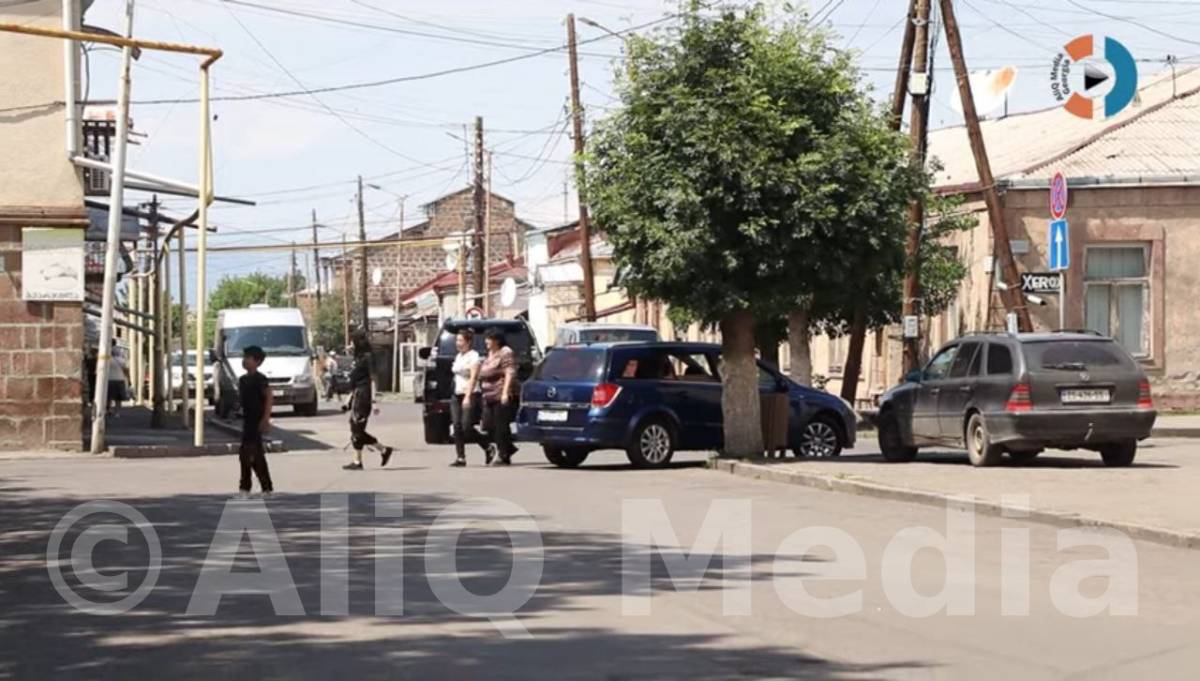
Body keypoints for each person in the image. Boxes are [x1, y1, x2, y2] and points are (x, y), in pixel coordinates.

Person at [343, 330, 394, 471]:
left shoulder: (368, 357)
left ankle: (383, 450)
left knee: (357, 430)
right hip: (357, 395)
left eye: (352, 342)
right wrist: (348, 400)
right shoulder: (357, 358)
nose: (350, 345)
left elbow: (373, 379)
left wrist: (374, 401)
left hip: (364, 396)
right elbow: (354, 381)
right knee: (355, 428)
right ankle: (358, 460)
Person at [477, 328, 519, 466]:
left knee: (501, 426)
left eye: (489, 339)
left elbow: (509, 372)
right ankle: (509, 448)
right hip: (488, 395)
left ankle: (503, 454)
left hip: (500, 393)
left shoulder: (505, 352)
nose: (486, 341)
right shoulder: (490, 354)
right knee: (488, 425)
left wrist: (505, 392)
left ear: (497, 340)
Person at [237, 345, 274, 498]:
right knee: (247, 455)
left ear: (257, 361)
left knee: (252, 455)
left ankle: (259, 487)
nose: (244, 360)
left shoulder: (260, 379)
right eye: (244, 357)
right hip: (247, 420)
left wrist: (265, 419)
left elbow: (269, 397)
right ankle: (252, 487)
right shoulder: (243, 380)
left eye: (248, 358)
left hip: (256, 421)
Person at [449, 329, 484, 467]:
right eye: (457, 340)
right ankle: (460, 457)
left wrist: (468, 396)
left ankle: (487, 446)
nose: (458, 343)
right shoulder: (459, 356)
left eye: (461, 340)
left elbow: (474, 378)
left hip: (470, 393)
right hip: (456, 394)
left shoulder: (474, 356)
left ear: (468, 342)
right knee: (456, 426)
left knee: (466, 426)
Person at [107, 340, 127, 417]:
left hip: (109, 379)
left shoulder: (107, 359)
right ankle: (117, 412)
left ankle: (108, 409)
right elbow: (125, 370)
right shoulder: (121, 360)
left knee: (109, 396)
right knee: (118, 398)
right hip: (120, 379)